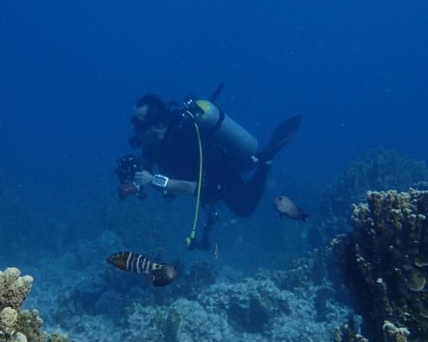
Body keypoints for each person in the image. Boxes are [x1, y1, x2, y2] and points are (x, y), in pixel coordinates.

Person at [126, 92, 301, 246]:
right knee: (245, 167)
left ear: (158, 126)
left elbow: (191, 187)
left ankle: (265, 160)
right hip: (211, 176)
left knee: (244, 208)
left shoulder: (184, 139)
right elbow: (144, 166)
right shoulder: (153, 143)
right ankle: (253, 161)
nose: (135, 130)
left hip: (220, 175)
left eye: (139, 126)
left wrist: (153, 180)